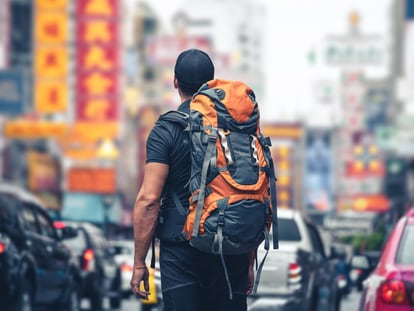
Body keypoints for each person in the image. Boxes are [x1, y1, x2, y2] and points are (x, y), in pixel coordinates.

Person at [130, 49, 255, 311]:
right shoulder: (237, 129)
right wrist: (248, 257)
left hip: (180, 253)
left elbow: (149, 200)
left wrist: (140, 262)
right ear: (211, 83)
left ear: (175, 82)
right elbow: (251, 191)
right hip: (229, 250)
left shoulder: (166, 130)